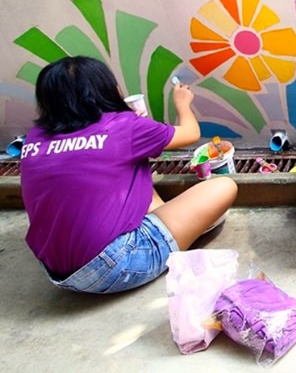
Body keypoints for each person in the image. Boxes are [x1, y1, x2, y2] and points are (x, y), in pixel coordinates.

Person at [20, 56, 237, 293]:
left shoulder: (35, 137)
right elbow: (190, 132)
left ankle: (166, 225)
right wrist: (182, 103)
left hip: (57, 271)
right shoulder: (123, 125)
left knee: (130, 169)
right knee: (223, 187)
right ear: (108, 90)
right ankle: (178, 235)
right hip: (117, 267)